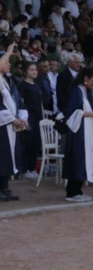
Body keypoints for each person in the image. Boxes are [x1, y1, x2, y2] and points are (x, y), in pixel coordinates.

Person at [63, 67, 93, 202]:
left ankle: (78, 190)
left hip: (87, 130)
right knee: (77, 159)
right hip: (78, 131)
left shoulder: (86, 91)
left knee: (83, 159)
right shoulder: (76, 91)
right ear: (86, 78)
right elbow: (72, 113)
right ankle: (72, 191)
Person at [0, 44, 27, 202]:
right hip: (3, 125)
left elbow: (19, 101)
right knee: (2, 157)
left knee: (8, 157)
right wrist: (9, 50)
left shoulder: (8, 80)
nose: (9, 64)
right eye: (6, 61)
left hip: (11, 126)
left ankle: (4, 188)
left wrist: (22, 118)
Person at [17, 60, 43, 180]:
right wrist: (24, 119)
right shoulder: (22, 85)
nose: (34, 72)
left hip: (38, 117)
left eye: (36, 70)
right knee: (27, 142)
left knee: (35, 143)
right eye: (31, 70)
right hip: (28, 117)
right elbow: (20, 103)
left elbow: (40, 103)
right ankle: (25, 168)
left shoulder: (37, 84)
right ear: (25, 72)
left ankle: (32, 168)